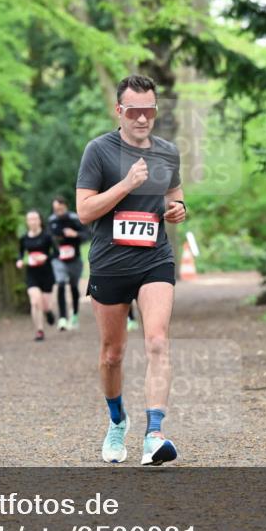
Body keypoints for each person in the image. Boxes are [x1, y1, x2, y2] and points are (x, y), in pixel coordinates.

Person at [75, 74, 187, 466]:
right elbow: (85, 210)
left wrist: (178, 211)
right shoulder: (98, 151)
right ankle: (117, 421)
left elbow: (176, 199)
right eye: (134, 111)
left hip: (155, 258)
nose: (142, 119)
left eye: (149, 111)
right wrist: (125, 185)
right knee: (112, 354)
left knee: (157, 341)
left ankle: (154, 434)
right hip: (110, 263)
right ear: (119, 111)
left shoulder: (168, 152)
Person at [16, 210, 58, 341]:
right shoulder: (24, 238)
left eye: (35, 219)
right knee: (35, 301)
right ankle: (39, 331)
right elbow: (21, 254)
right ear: (27, 222)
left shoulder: (47, 236)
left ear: (39, 220)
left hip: (46, 274)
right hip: (32, 273)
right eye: (30, 219)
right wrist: (19, 261)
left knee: (45, 305)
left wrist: (45, 257)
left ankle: (48, 312)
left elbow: (56, 253)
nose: (32, 221)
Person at [48, 195, 86, 331]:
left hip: (74, 259)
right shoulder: (52, 221)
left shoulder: (74, 218)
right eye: (55, 210)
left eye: (60, 209)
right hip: (58, 259)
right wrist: (57, 238)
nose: (58, 212)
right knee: (61, 283)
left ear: (66, 207)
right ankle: (63, 318)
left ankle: (74, 314)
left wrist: (75, 234)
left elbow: (86, 235)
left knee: (73, 287)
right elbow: (49, 237)